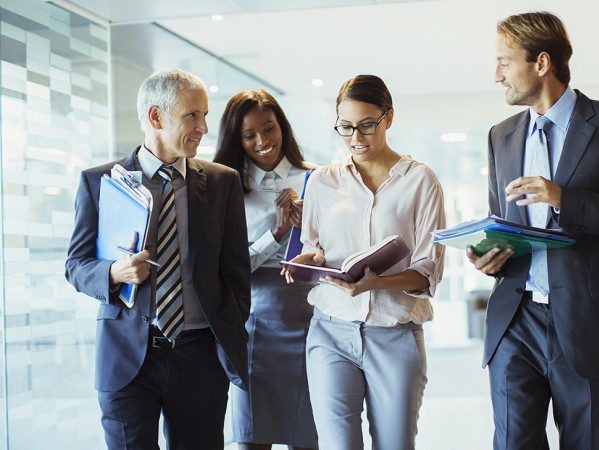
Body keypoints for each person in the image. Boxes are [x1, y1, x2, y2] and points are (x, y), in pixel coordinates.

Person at [468, 12, 599, 450]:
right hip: (515, 319)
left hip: (588, 320)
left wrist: (564, 198)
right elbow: (502, 219)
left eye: (504, 61)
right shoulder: (500, 136)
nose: (495, 75)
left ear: (541, 63)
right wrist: (489, 256)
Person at [65, 69, 251, 449]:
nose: (203, 126)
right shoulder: (100, 182)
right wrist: (113, 273)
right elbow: (76, 265)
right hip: (126, 360)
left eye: (205, 115)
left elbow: (236, 274)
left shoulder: (221, 182)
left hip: (200, 360)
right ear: (155, 117)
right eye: (192, 115)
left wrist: (226, 328)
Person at [283, 74, 446, 450]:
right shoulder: (323, 181)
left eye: (367, 125)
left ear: (388, 118)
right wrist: (309, 260)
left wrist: (376, 283)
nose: (356, 137)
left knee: (395, 445)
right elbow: (315, 246)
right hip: (330, 332)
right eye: (345, 127)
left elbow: (427, 274)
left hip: (395, 335)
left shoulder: (421, 182)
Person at [214, 89, 318, 450]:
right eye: (249, 135)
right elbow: (227, 268)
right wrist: (277, 232)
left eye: (269, 128)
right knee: (251, 438)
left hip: (311, 319)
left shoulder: (317, 180)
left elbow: (337, 253)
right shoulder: (226, 187)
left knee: (310, 437)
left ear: (283, 128)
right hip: (254, 321)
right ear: (236, 139)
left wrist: (314, 235)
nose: (262, 141)